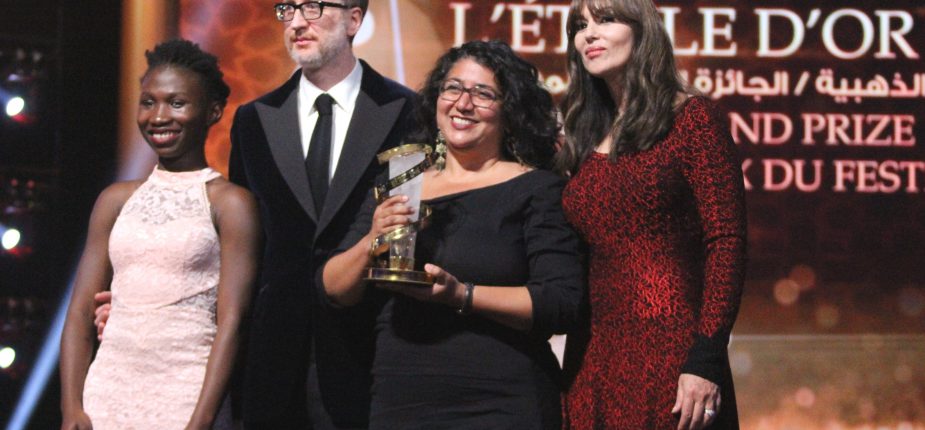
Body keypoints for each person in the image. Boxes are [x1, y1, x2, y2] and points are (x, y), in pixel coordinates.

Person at [321, 40, 585, 429]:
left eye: (483, 94)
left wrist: (461, 295)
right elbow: (334, 289)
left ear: (511, 110)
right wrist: (372, 239)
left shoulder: (537, 188)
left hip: (502, 402)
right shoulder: (402, 179)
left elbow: (560, 303)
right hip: (401, 398)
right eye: (453, 88)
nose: (463, 103)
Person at [556, 1, 747, 429]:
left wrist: (706, 357)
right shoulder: (584, 134)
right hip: (592, 355)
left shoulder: (693, 118)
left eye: (606, 19)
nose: (589, 33)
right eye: (580, 25)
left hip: (673, 353)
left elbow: (726, 241)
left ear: (643, 30)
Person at [227, 1, 416, 428]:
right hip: (272, 359)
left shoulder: (407, 111)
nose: (296, 22)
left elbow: (404, 243)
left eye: (312, 7)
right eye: (288, 8)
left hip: (368, 354)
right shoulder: (254, 119)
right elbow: (242, 248)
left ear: (354, 19)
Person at [59, 39, 259, 430]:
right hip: (106, 393)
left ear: (213, 111)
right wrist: (71, 408)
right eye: (148, 102)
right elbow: (80, 311)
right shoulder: (115, 200)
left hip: (185, 395)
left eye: (177, 103)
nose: (159, 116)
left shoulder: (231, 203)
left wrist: (201, 419)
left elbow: (232, 320)